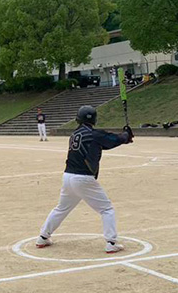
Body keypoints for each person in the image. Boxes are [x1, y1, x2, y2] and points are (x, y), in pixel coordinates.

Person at [35, 106, 133, 253]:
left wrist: (124, 137)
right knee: (107, 209)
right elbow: (113, 139)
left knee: (61, 208)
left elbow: (103, 144)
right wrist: (126, 135)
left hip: (68, 177)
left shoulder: (75, 134)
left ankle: (43, 237)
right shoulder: (94, 134)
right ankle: (111, 242)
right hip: (83, 178)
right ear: (94, 119)